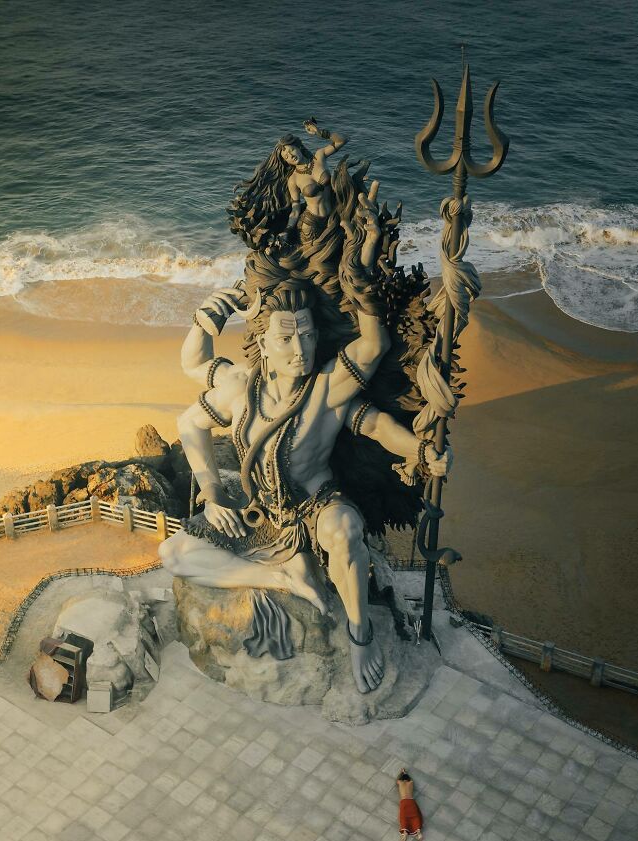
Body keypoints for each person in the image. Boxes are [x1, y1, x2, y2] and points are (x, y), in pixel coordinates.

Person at [159, 181, 451, 694]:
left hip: (315, 507)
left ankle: (361, 635)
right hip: (259, 516)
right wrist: (211, 493)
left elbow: (380, 412)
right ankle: (279, 578)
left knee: (344, 530)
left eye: (308, 334)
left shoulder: (329, 388)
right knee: (175, 555)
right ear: (264, 347)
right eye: (286, 338)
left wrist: (424, 452)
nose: (301, 348)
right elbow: (190, 411)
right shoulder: (238, 388)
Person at [228, 119, 348, 250]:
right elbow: (295, 210)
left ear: (298, 146)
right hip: (311, 225)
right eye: (286, 157)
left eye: (291, 150)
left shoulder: (319, 157)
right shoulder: (293, 179)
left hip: (333, 218)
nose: (290, 155)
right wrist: (288, 229)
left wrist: (320, 133)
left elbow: (342, 140)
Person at [396, 768, 423, 841]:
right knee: (415, 816)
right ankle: (418, 832)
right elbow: (410, 779)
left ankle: (404, 832)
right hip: (411, 801)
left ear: (401, 779)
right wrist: (405, 773)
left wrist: (402, 772)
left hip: (404, 802)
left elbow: (398, 779)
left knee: (403, 817)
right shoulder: (411, 782)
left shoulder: (400, 782)